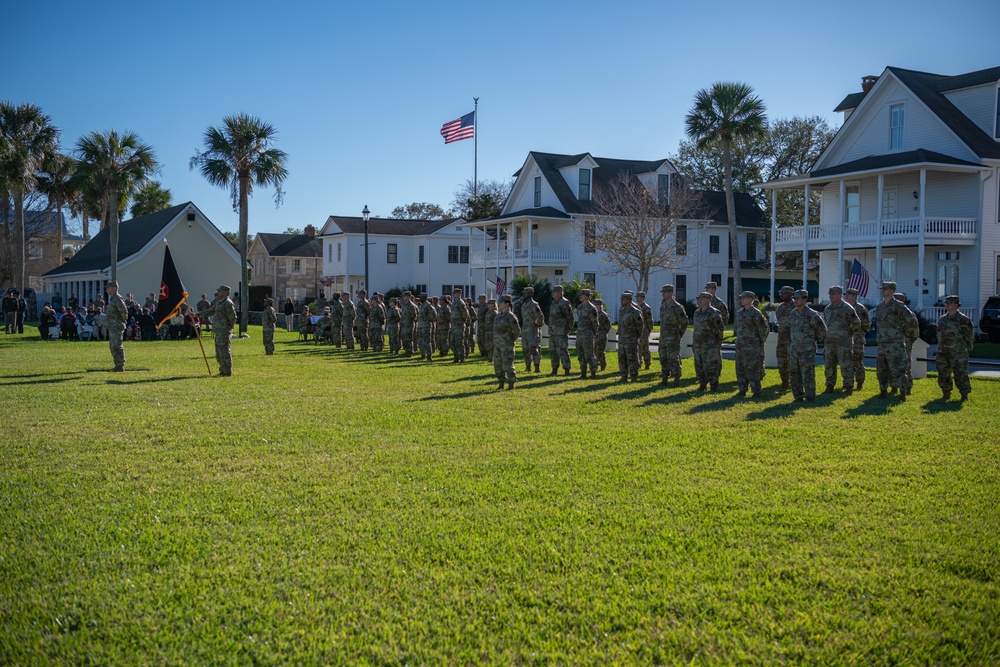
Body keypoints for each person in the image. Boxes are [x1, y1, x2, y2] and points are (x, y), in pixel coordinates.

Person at [872, 281, 911, 401]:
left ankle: (902, 393)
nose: (883, 290)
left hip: (895, 344)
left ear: (892, 291)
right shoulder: (879, 307)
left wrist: (902, 334)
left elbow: (911, 321)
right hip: (882, 344)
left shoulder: (899, 306)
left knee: (899, 369)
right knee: (882, 369)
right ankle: (883, 391)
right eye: (882, 289)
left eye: (885, 289)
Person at [822, 285, 864, 395]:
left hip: (843, 343)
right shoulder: (828, 309)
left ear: (840, 295)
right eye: (830, 294)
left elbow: (857, 323)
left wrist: (848, 334)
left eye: (833, 294)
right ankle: (829, 385)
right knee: (829, 365)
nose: (831, 296)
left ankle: (848, 386)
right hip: (829, 343)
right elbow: (825, 324)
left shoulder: (847, 308)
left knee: (846, 365)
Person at [788, 289, 826, 402]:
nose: (795, 300)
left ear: (805, 299)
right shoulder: (793, 313)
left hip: (807, 350)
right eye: (794, 298)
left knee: (807, 373)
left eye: (798, 298)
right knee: (794, 373)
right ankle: (798, 395)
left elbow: (822, 330)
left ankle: (810, 396)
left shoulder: (812, 315)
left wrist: (812, 341)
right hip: (794, 349)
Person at [935, 295, 974, 401]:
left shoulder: (963, 320)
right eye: (946, 303)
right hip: (943, 351)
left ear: (956, 304)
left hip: (958, 352)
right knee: (943, 373)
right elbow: (938, 334)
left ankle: (964, 394)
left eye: (950, 303)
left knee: (960, 373)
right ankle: (946, 392)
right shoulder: (942, 319)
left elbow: (968, 336)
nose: (947, 305)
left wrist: (965, 349)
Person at [195, 285, 238, 376]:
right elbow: (210, 311)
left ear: (225, 293)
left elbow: (233, 317)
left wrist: (228, 328)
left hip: (224, 331)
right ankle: (222, 370)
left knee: (224, 351)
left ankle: (227, 371)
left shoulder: (228, 303)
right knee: (218, 353)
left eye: (220, 291)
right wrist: (196, 315)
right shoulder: (219, 303)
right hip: (218, 331)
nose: (218, 293)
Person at [734, 290, 768, 398]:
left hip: (752, 347)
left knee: (753, 369)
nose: (741, 300)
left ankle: (756, 391)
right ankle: (742, 389)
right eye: (740, 298)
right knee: (740, 368)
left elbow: (763, 330)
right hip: (740, 346)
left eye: (743, 298)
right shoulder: (740, 313)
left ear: (750, 299)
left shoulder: (756, 313)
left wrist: (759, 344)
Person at [692, 291, 724, 391]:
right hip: (698, 345)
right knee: (699, 365)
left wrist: (716, 343)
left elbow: (720, 329)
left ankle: (713, 384)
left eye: (701, 298)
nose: (699, 301)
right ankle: (702, 384)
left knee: (711, 366)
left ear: (708, 300)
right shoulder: (697, 313)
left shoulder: (714, 313)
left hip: (710, 345)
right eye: (698, 299)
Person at [657, 284, 689, 386]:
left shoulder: (677, 307)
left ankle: (676, 378)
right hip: (663, 337)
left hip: (673, 338)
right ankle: (665, 377)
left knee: (673, 358)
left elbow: (684, 322)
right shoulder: (663, 305)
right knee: (663, 358)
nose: (663, 294)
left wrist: (679, 334)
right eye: (663, 292)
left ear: (670, 293)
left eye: (665, 292)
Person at [766, 286, 796, 389]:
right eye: (781, 293)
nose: (781, 295)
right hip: (782, 339)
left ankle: (795, 382)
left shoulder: (796, 306)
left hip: (793, 340)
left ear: (790, 294)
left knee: (793, 363)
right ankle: (784, 381)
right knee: (781, 361)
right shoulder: (780, 307)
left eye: (784, 293)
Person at [894, 292, 920, 397]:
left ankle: (907, 387)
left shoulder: (909, 314)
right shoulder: (891, 313)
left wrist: (909, 341)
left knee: (906, 366)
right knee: (893, 365)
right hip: (893, 343)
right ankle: (894, 386)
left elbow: (915, 331)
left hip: (905, 343)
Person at [844, 288, 870, 391]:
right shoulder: (844, 308)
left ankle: (859, 382)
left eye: (848, 295)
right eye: (846, 294)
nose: (846, 296)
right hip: (846, 339)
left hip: (857, 339)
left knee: (857, 361)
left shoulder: (860, 309)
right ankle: (848, 382)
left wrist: (859, 334)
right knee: (846, 361)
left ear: (854, 296)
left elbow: (866, 324)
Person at [493, 294, 520, 390]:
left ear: (507, 304)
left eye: (500, 302)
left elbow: (516, 330)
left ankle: (511, 383)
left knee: (507, 365)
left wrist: (510, 340)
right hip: (497, 345)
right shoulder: (498, 316)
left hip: (507, 345)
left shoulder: (510, 316)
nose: (498, 304)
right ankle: (501, 383)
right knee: (497, 365)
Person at [616, 292, 643, 383]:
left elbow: (640, 326)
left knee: (632, 359)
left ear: (629, 300)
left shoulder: (635, 311)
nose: (621, 301)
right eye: (621, 299)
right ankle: (624, 376)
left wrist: (635, 337)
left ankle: (633, 377)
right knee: (621, 358)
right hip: (622, 339)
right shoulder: (621, 311)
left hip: (631, 340)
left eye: (623, 299)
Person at [548, 284, 575, 375]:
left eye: (555, 292)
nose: (553, 294)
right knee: (552, 351)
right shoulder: (553, 302)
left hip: (561, 331)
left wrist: (567, 329)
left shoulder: (565, 303)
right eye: (552, 292)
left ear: (560, 292)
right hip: (553, 331)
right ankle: (554, 368)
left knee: (562, 350)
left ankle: (566, 369)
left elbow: (570, 318)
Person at [575, 288, 599, 379]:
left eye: (582, 294)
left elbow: (595, 323)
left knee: (589, 354)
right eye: (580, 294)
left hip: (588, 335)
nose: (580, 296)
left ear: (587, 296)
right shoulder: (579, 307)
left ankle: (593, 372)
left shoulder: (591, 308)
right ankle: (583, 372)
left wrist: (593, 333)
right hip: (580, 334)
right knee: (580, 354)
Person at [519, 286, 544, 372]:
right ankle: (527, 366)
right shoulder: (524, 305)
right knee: (525, 349)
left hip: (532, 331)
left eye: (525, 293)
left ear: (530, 294)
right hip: (525, 330)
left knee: (534, 349)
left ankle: (537, 367)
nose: (523, 295)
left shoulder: (534, 304)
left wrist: (538, 325)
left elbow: (540, 316)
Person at [106, 281, 128, 371]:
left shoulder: (117, 299)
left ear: (114, 288)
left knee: (117, 346)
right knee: (112, 346)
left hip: (116, 326)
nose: (107, 289)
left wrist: (122, 320)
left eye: (108, 287)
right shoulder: (113, 298)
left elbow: (124, 311)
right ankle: (117, 364)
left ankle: (120, 365)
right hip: (112, 326)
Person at [450, 288, 471, 362]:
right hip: (453, 325)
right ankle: (456, 357)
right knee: (452, 342)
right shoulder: (454, 303)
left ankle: (462, 357)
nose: (453, 295)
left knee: (459, 342)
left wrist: (462, 321)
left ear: (459, 294)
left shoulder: (461, 303)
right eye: (453, 293)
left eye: (455, 293)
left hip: (459, 325)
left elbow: (465, 314)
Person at [636, 291, 654, 370]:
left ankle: (647, 363)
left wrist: (648, 330)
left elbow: (650, 320)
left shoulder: (646, 307)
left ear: (642, 298)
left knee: (644, 348)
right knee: (637, 348)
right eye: (637, 297)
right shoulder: (636, 307)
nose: (637, 298)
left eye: (638, 297)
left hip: (644, 330)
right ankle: (638, 363)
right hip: (637, 330)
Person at [417, 292, 436, 360]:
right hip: (420, 326)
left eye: (421, 297)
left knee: (427, 342)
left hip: (426, 326)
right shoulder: (421, 305)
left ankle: (429, 356)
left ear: (424, 298)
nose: (419, 298)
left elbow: (434, 315)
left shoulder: (428, 305)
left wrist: (428, 319)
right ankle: (423, 355)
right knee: (420, 342)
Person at [594, 299, 612, 371]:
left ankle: (602, 365)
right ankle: (595, 365)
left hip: (601, 335)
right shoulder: (594, 314)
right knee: (594, 351)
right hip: (595, 335)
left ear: (599, 305)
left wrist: (604, 332)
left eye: (595, 304)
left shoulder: (603, 315)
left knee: (600, 351)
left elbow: (608, 326)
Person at [400, 290, 418, 357]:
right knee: (404, 338)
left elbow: (414, 315)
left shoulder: (411, 305)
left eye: (404, 296)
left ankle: (410, 352)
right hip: (404, 324)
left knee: (409, 339)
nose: (403, 297)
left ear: (408, 297)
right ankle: (406, 351)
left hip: (409, 324)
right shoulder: (404, 304)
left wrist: (409, 321)